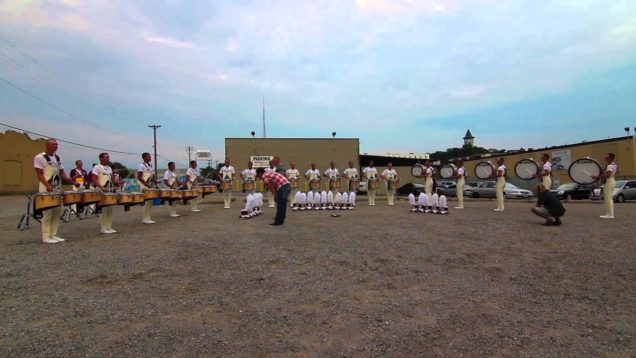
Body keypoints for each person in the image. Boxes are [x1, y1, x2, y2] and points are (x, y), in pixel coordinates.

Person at [33, 139, 72, 243]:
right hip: (46, 186)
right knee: (47, 212)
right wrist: (47, 184)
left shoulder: (57, 157)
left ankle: (53, 234)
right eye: (53, 144)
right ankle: (46, 237)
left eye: (57, 144)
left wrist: (68, 179)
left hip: (57, 186)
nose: (56, 146)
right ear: (47, 145)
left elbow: (62, 172)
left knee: (56, 211)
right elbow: (39, 173)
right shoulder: (39, 157)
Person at [91, 152, 121, 234]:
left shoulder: (109, 168)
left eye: (108, 157)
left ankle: (109, 227)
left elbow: (113, 179)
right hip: (101, 190)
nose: (108, 158)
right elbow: (94, 179)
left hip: (109, 190)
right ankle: (103, 228)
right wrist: (101, 187)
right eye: (106, 157)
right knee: (104, 209)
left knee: (110, 209)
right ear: (101, 158)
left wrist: (119, 182)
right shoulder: (97, 167)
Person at [593, 153, 618, 219]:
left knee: (608, 198)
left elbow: (608, 175)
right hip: (612, 181)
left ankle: (610, 215)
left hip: (609, 181)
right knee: (608, 198)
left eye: (606, 157)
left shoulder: (609, 166)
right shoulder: (614, 165)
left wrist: (597, 177)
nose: (605, 158)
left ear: (610, 158)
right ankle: (608, 213)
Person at [137, 152, 155, 224]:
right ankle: (145, 218)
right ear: (144, 158)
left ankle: (148, 217)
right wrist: (146, 184)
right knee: (146, 202)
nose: (150, 157)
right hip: (144, 185)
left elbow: (152, 175)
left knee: (150, 202)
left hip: (149, 185)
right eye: (148, 156)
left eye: (150, 156)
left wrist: (155, 181)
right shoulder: (141, 166)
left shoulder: (150, 165)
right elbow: (139, 177)